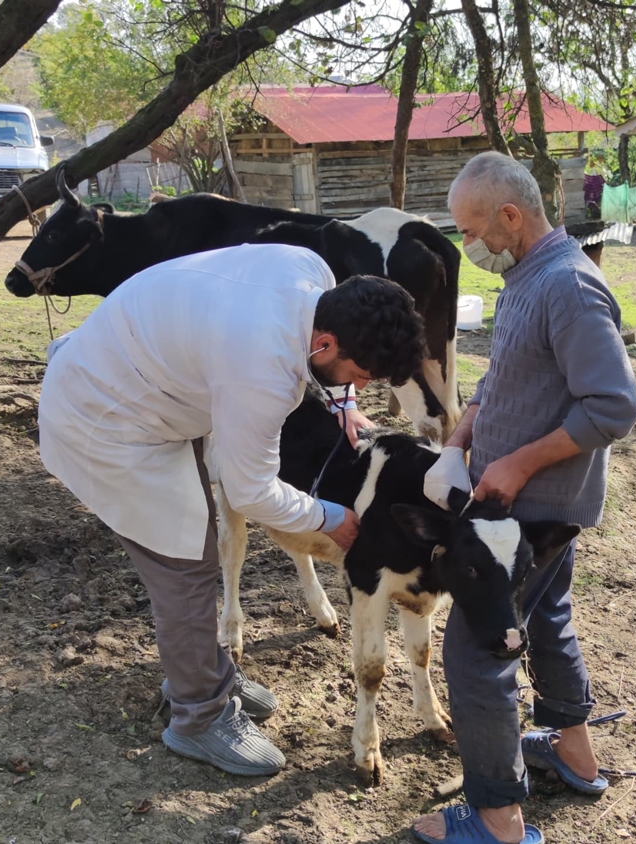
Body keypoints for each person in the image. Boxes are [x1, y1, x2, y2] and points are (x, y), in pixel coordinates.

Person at [37, 244, 425, 776]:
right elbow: (251, 493)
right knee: (185, 566)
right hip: (105, 419)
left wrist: (345, 402)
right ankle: (198, 715)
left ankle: (207, 668)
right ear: (325, 342)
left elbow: (317, 375)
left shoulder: (310, 273)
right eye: (357, 374)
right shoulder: (261, 372)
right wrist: (331, 518)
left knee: (195, 535)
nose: (358, 386)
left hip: (143, 379)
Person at [416, 152, 636, 844]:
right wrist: (462, 434)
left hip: (536, 510)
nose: (469, 247)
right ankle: (573, 752)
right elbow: (504, 376)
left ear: (510, 217)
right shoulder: (525, 278)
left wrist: (514, 463)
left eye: (472, 230)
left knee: (477, 650)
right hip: (519, 502)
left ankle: (497, 820)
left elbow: (613, 406)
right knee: (547, 618)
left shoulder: (569, 286)